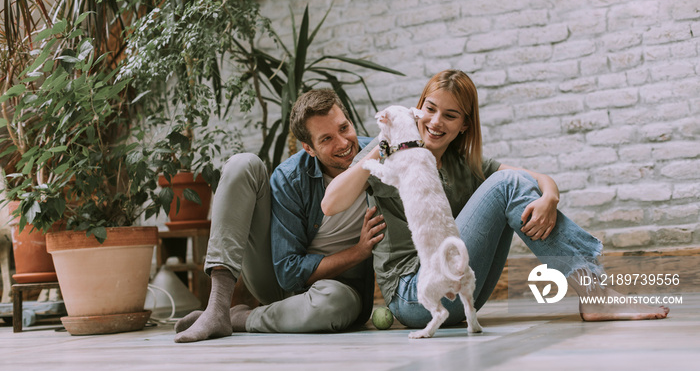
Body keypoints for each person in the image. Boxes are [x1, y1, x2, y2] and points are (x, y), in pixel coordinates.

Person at [322, 69, 669, 329]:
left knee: (512, 184)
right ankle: (594, 292)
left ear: (464, 126)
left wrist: (550, 196)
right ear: (417, 110)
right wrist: (379, 151)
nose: (436, 121)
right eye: (430, 109)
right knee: (506, 184)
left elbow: (535, 178)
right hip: (415, 296)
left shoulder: (465, 165)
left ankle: (594, 292)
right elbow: (331, 204)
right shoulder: (390, 152)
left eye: (451, 115)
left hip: (463, 288)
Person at [174, 89, 385, 342]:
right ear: (309, 148)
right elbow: (288, 272)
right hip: (281, 285)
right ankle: (218, 306)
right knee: (243, 164)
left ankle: (238, 318)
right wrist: (358, 252)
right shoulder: (290, 177)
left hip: (340, 291)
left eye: (344, 128)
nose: (342, 143)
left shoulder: (377, 155)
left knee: (334, 304)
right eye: (326, 138)